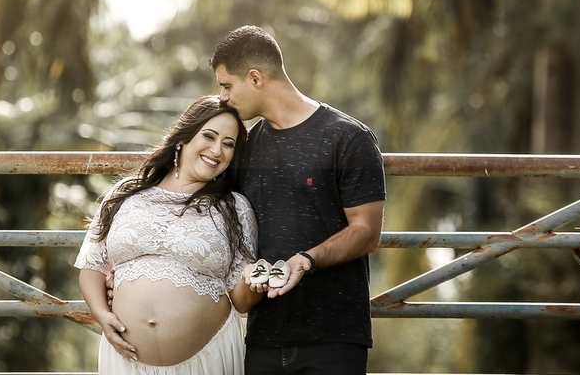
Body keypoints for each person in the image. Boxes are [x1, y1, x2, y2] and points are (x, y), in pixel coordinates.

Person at [211, 25, 386, 375]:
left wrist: (307, 260)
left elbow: (367, 231)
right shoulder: (242, 147)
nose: (224, 98)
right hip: (263, 336)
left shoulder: (348, 137)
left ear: (256, 78)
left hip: (334, 339)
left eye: (227, 86)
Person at [76, 96, 258, 374]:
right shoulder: (126, 195)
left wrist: (258, 276)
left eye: (229, 144)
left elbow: (242, 300)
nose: (217, 150)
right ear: (183, 138)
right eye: (208, 136)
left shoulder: (234, 208)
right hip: (126, 362)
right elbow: (92, 267)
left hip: (207, 359)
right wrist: (102, 316)